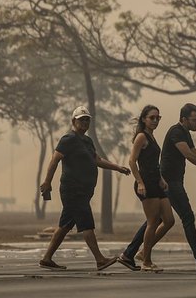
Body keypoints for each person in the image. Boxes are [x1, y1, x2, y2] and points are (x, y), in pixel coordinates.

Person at [118, 103, 196, 271]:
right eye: (194, 120)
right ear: (184, 119)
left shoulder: (183, 133)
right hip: (169, 181)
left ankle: (131, 254)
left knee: (161, 220)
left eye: (157, 118)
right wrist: (140, 182)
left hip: (162, 181)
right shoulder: (175, 132)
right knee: (185, 217)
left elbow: (195, 154)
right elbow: (188, 155)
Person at [38, 105, 131, 271]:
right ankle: (100, 259)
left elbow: (97, 160)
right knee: (87, 223)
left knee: (65, 226)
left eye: (87, 119)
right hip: (73, 189)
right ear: (74, 121)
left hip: (84, 190)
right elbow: (54, 160)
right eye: (81, 119)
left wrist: (118, 167)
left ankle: (46, 258)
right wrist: (47, 182)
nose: (85, 122)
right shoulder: (68, 139)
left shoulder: (87, 141)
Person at [127, 105, 175, 272]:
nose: (155, 120)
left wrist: (161, 179)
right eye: (152, 118)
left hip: (156, 182)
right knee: (153, 222)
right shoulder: (141, 136)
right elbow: (132, 161)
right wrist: (140, 182)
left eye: (158, 118)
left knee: (169, 220)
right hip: (146, 183)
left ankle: (142, 252)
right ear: (144, 119)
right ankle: (146, 261)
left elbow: (153, 163)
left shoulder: (152, 137)